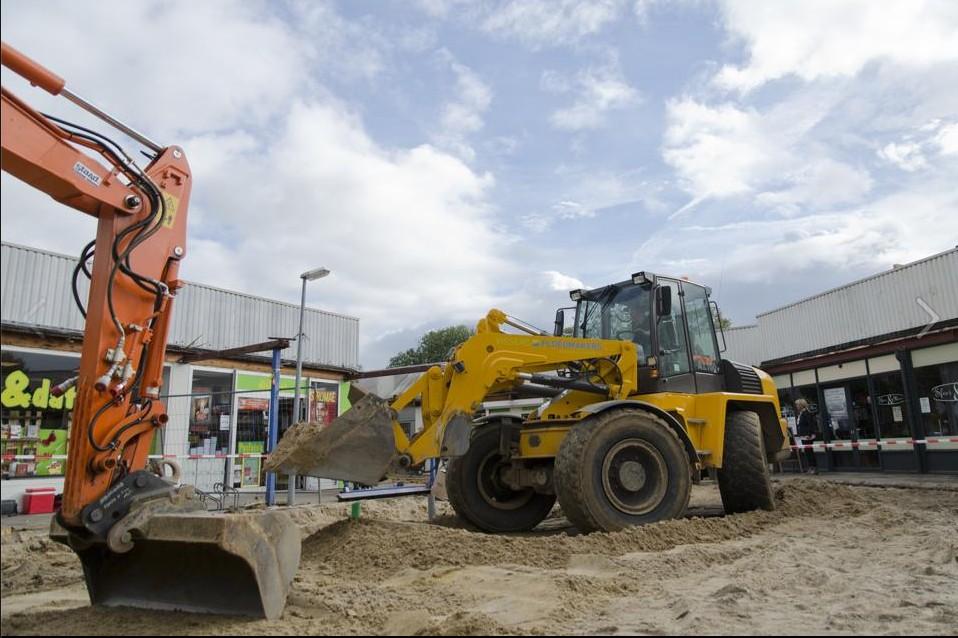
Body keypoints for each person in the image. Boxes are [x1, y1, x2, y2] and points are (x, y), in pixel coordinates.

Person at [795, 398, 818, 474]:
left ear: (801, 405)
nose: (796, 406)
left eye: (797, 405)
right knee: (807, 452)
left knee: (809, 451)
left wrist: (809, 434)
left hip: (807, 435)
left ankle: (814, 468)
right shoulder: (801, 413)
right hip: (803, 435)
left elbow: (810, 424)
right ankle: (810, 467)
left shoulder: (806, 413)